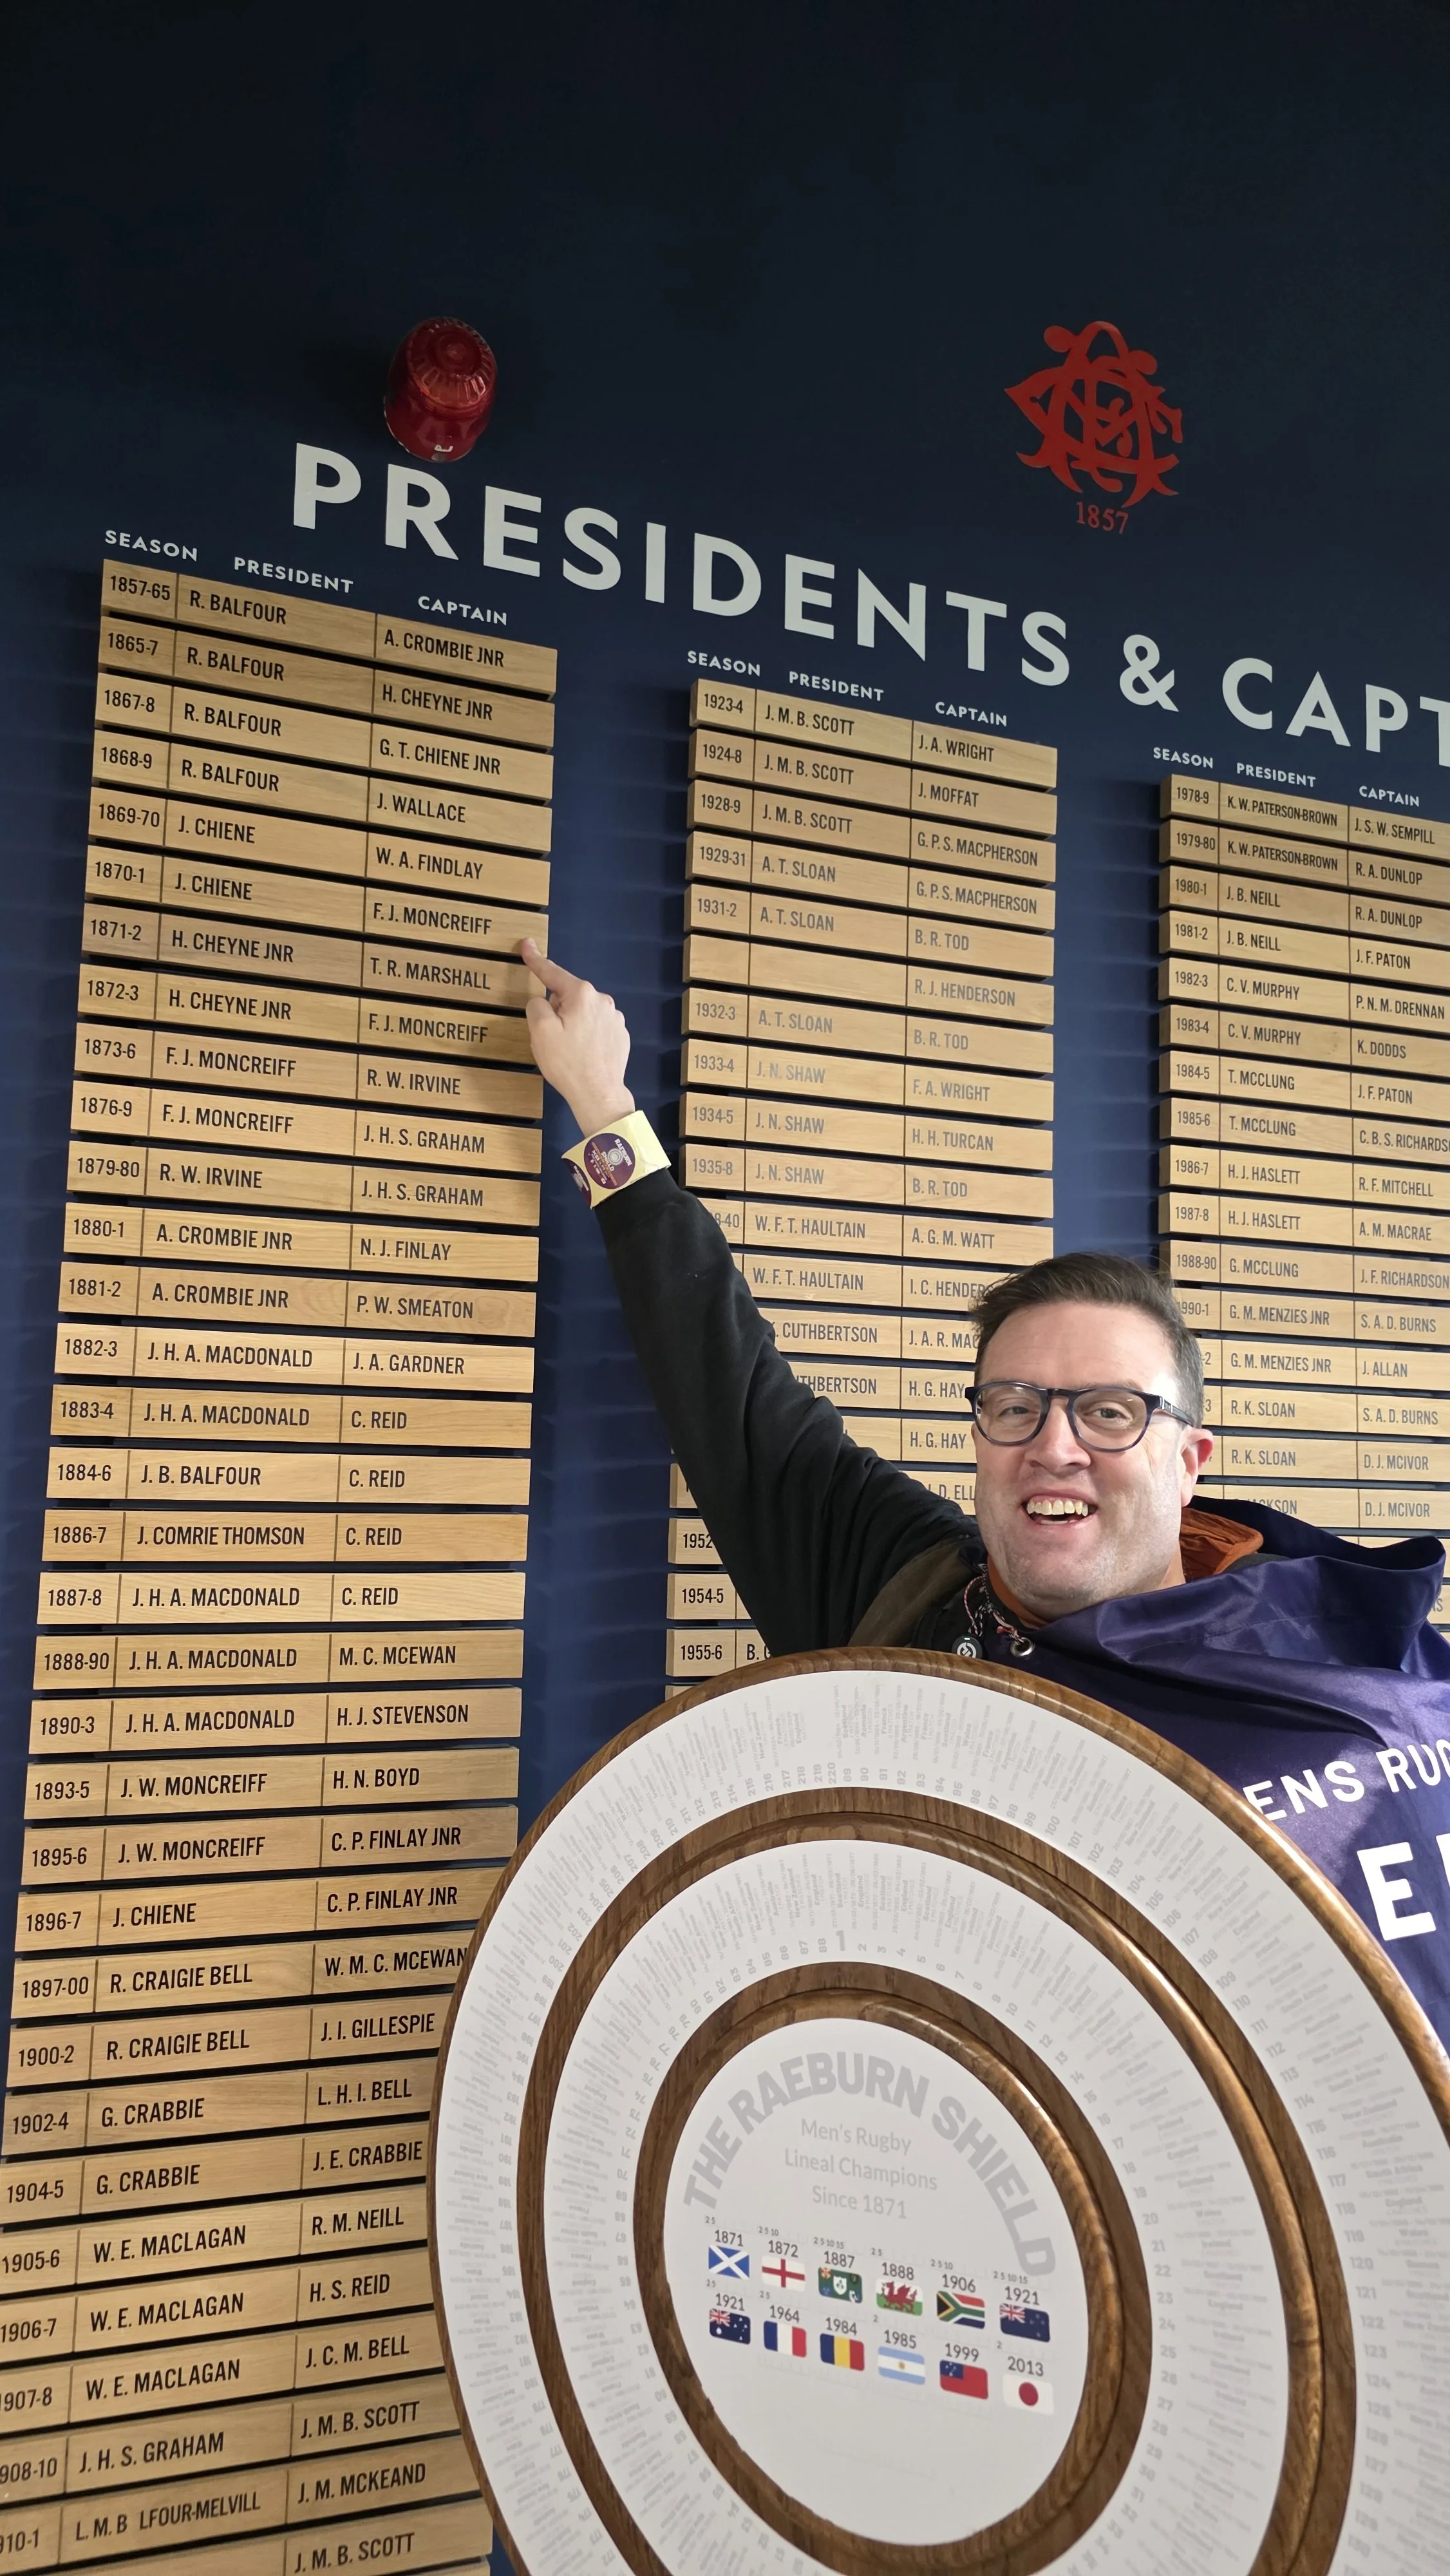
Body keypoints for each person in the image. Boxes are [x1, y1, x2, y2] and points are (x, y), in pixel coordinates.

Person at [522, 939, 1450, 2043]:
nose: (1053, 1446)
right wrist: (604, 1106)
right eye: (1015, 1406)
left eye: (1109, 1412)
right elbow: (732, 1392)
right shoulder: (907, 1591)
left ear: (1189, 1458)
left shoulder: (1351, 1690)